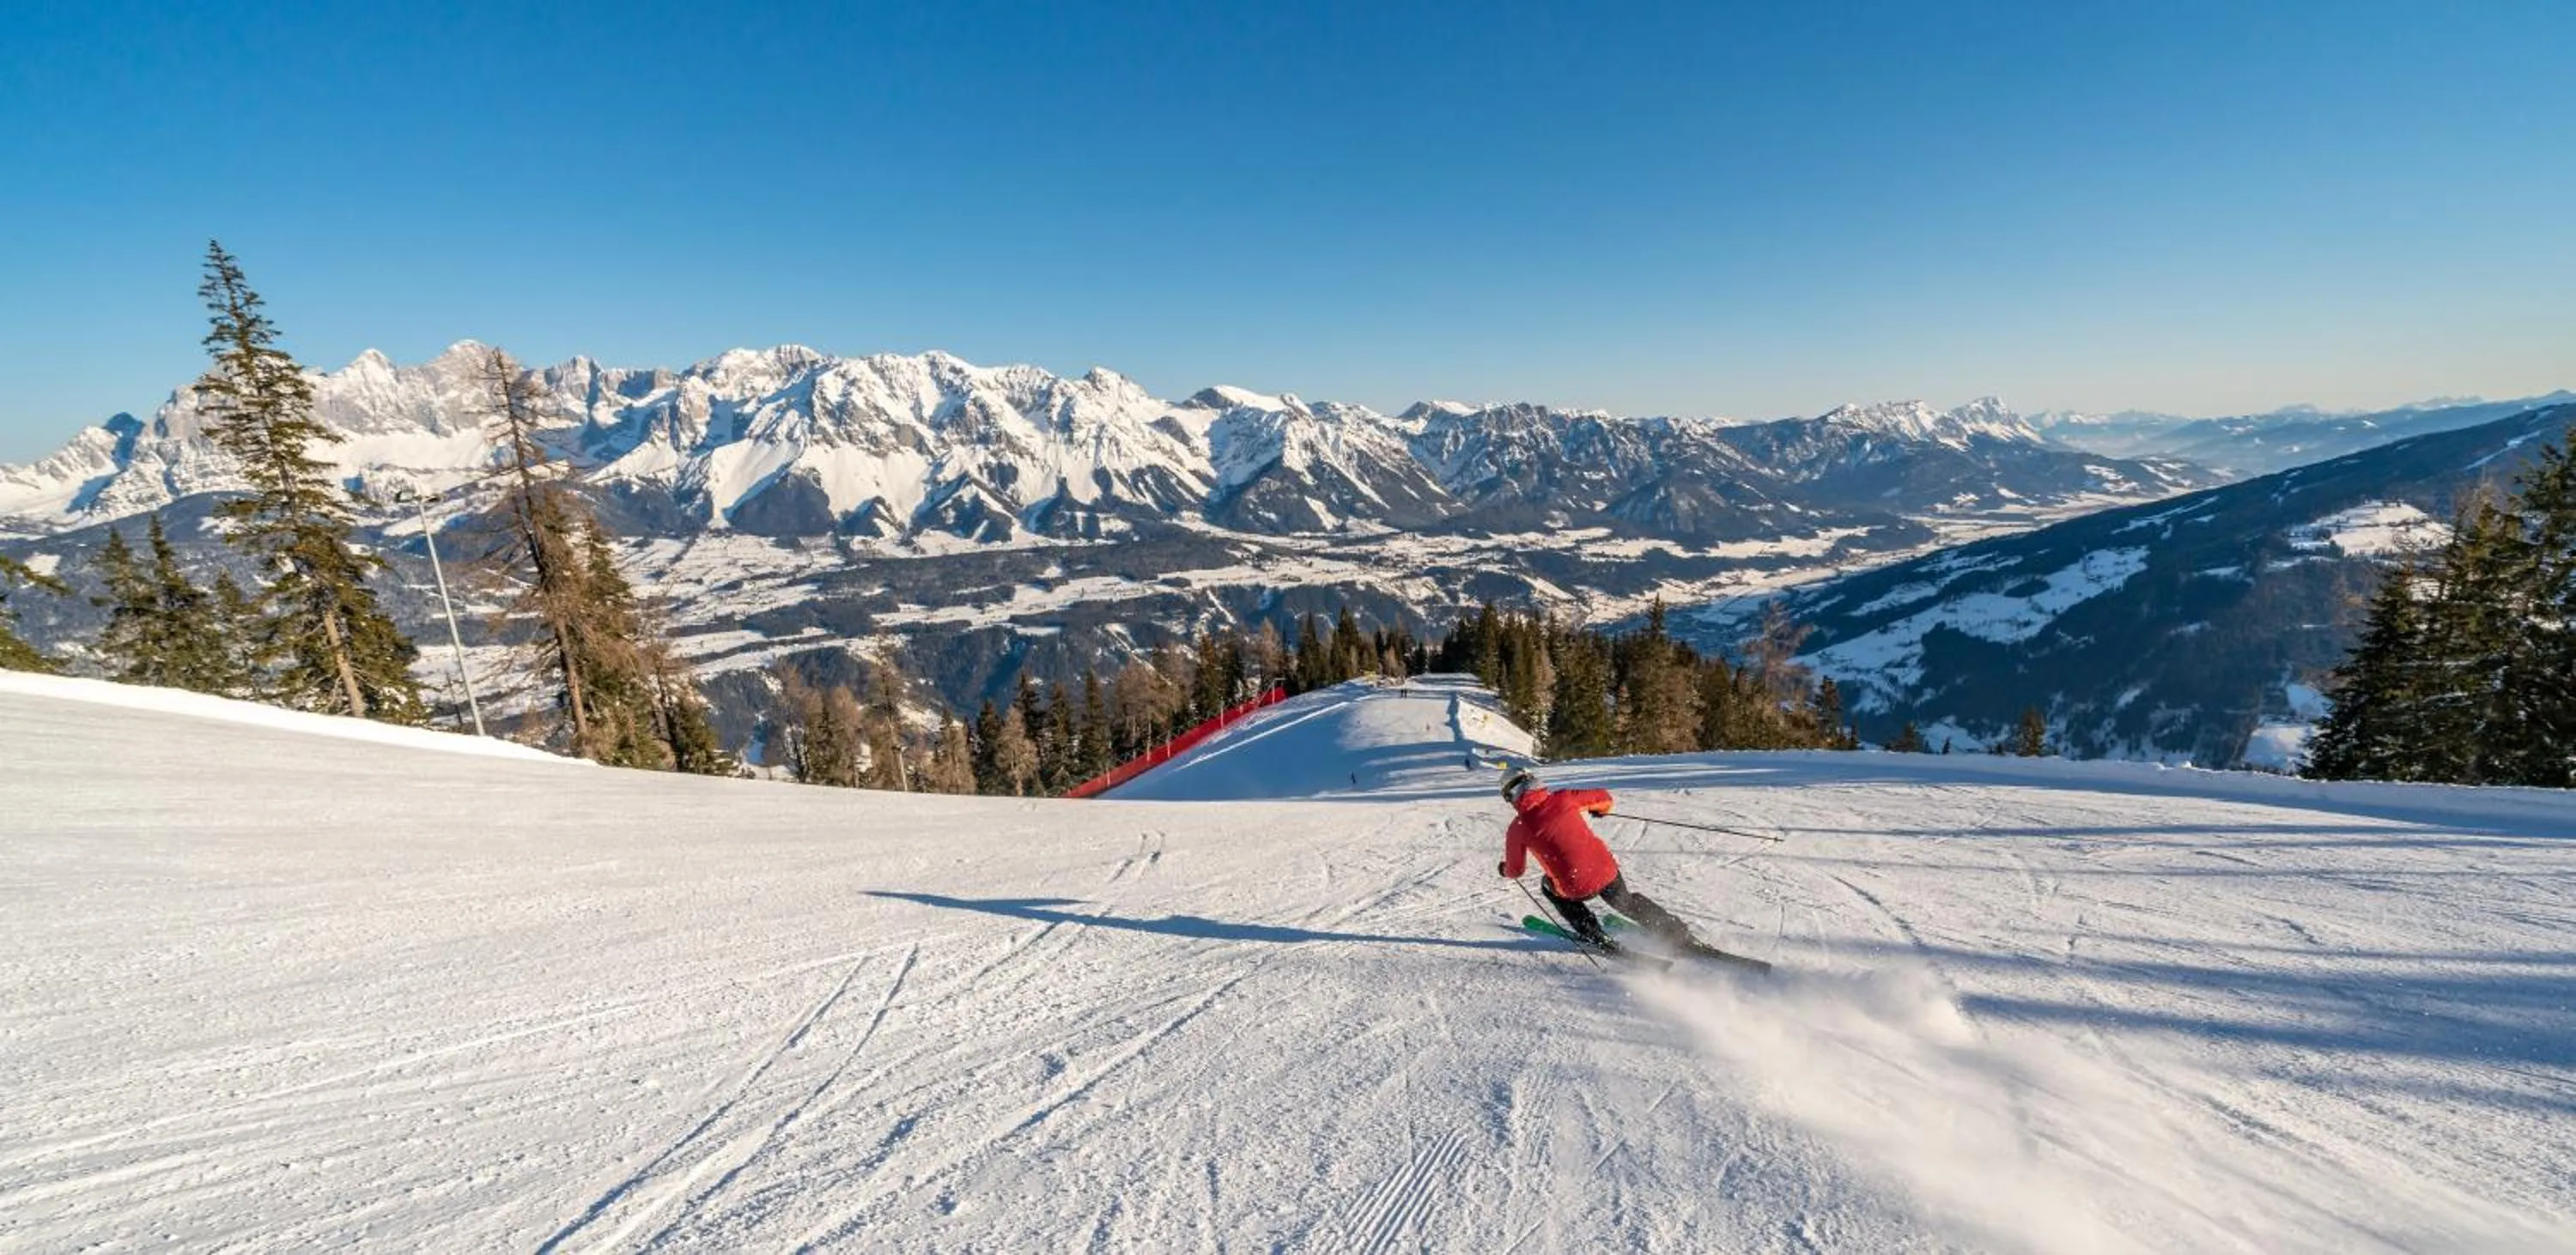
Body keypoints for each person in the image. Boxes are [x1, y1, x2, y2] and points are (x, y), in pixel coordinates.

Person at [1498, 767, 1710, 955]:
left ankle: (1597, 935)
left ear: (1511, 796)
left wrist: (1504, 869)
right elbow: (1604, 798)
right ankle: (1676, 933)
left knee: (1548, 886)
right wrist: (1600, 810)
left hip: (1573, 887)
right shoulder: (1564, 798)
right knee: (1626, 902)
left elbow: (1515, 871)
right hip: (1605, 871)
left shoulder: (1518, 828)